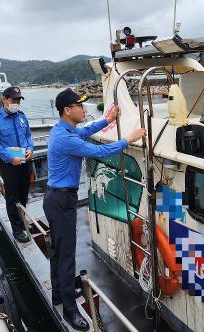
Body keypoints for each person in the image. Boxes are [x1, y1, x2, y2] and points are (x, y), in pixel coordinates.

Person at [44, 88, 146, 331]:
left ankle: (59, 293)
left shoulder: (64, 130)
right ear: (67, 110)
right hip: (61, 201)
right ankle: (70, 309)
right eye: (79, 106)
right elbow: (98, 151)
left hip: (57, 198)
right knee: (66, 255)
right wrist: (128, 140)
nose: (84, 109)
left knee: (58, 251)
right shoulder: (65, 138)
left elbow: (86, 131)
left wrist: (108, 120)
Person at [0, 86, 34, 243]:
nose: (16, 103)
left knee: (23, 193)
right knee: (12, 196)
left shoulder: (21, 116)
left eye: (18, 100)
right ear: (4, 99)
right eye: (13, 100)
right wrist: (9, 158)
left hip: (25, 160)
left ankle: (22, 220)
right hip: (9, 163)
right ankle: (17, 229)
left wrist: (30, 149)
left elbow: (28, 136)